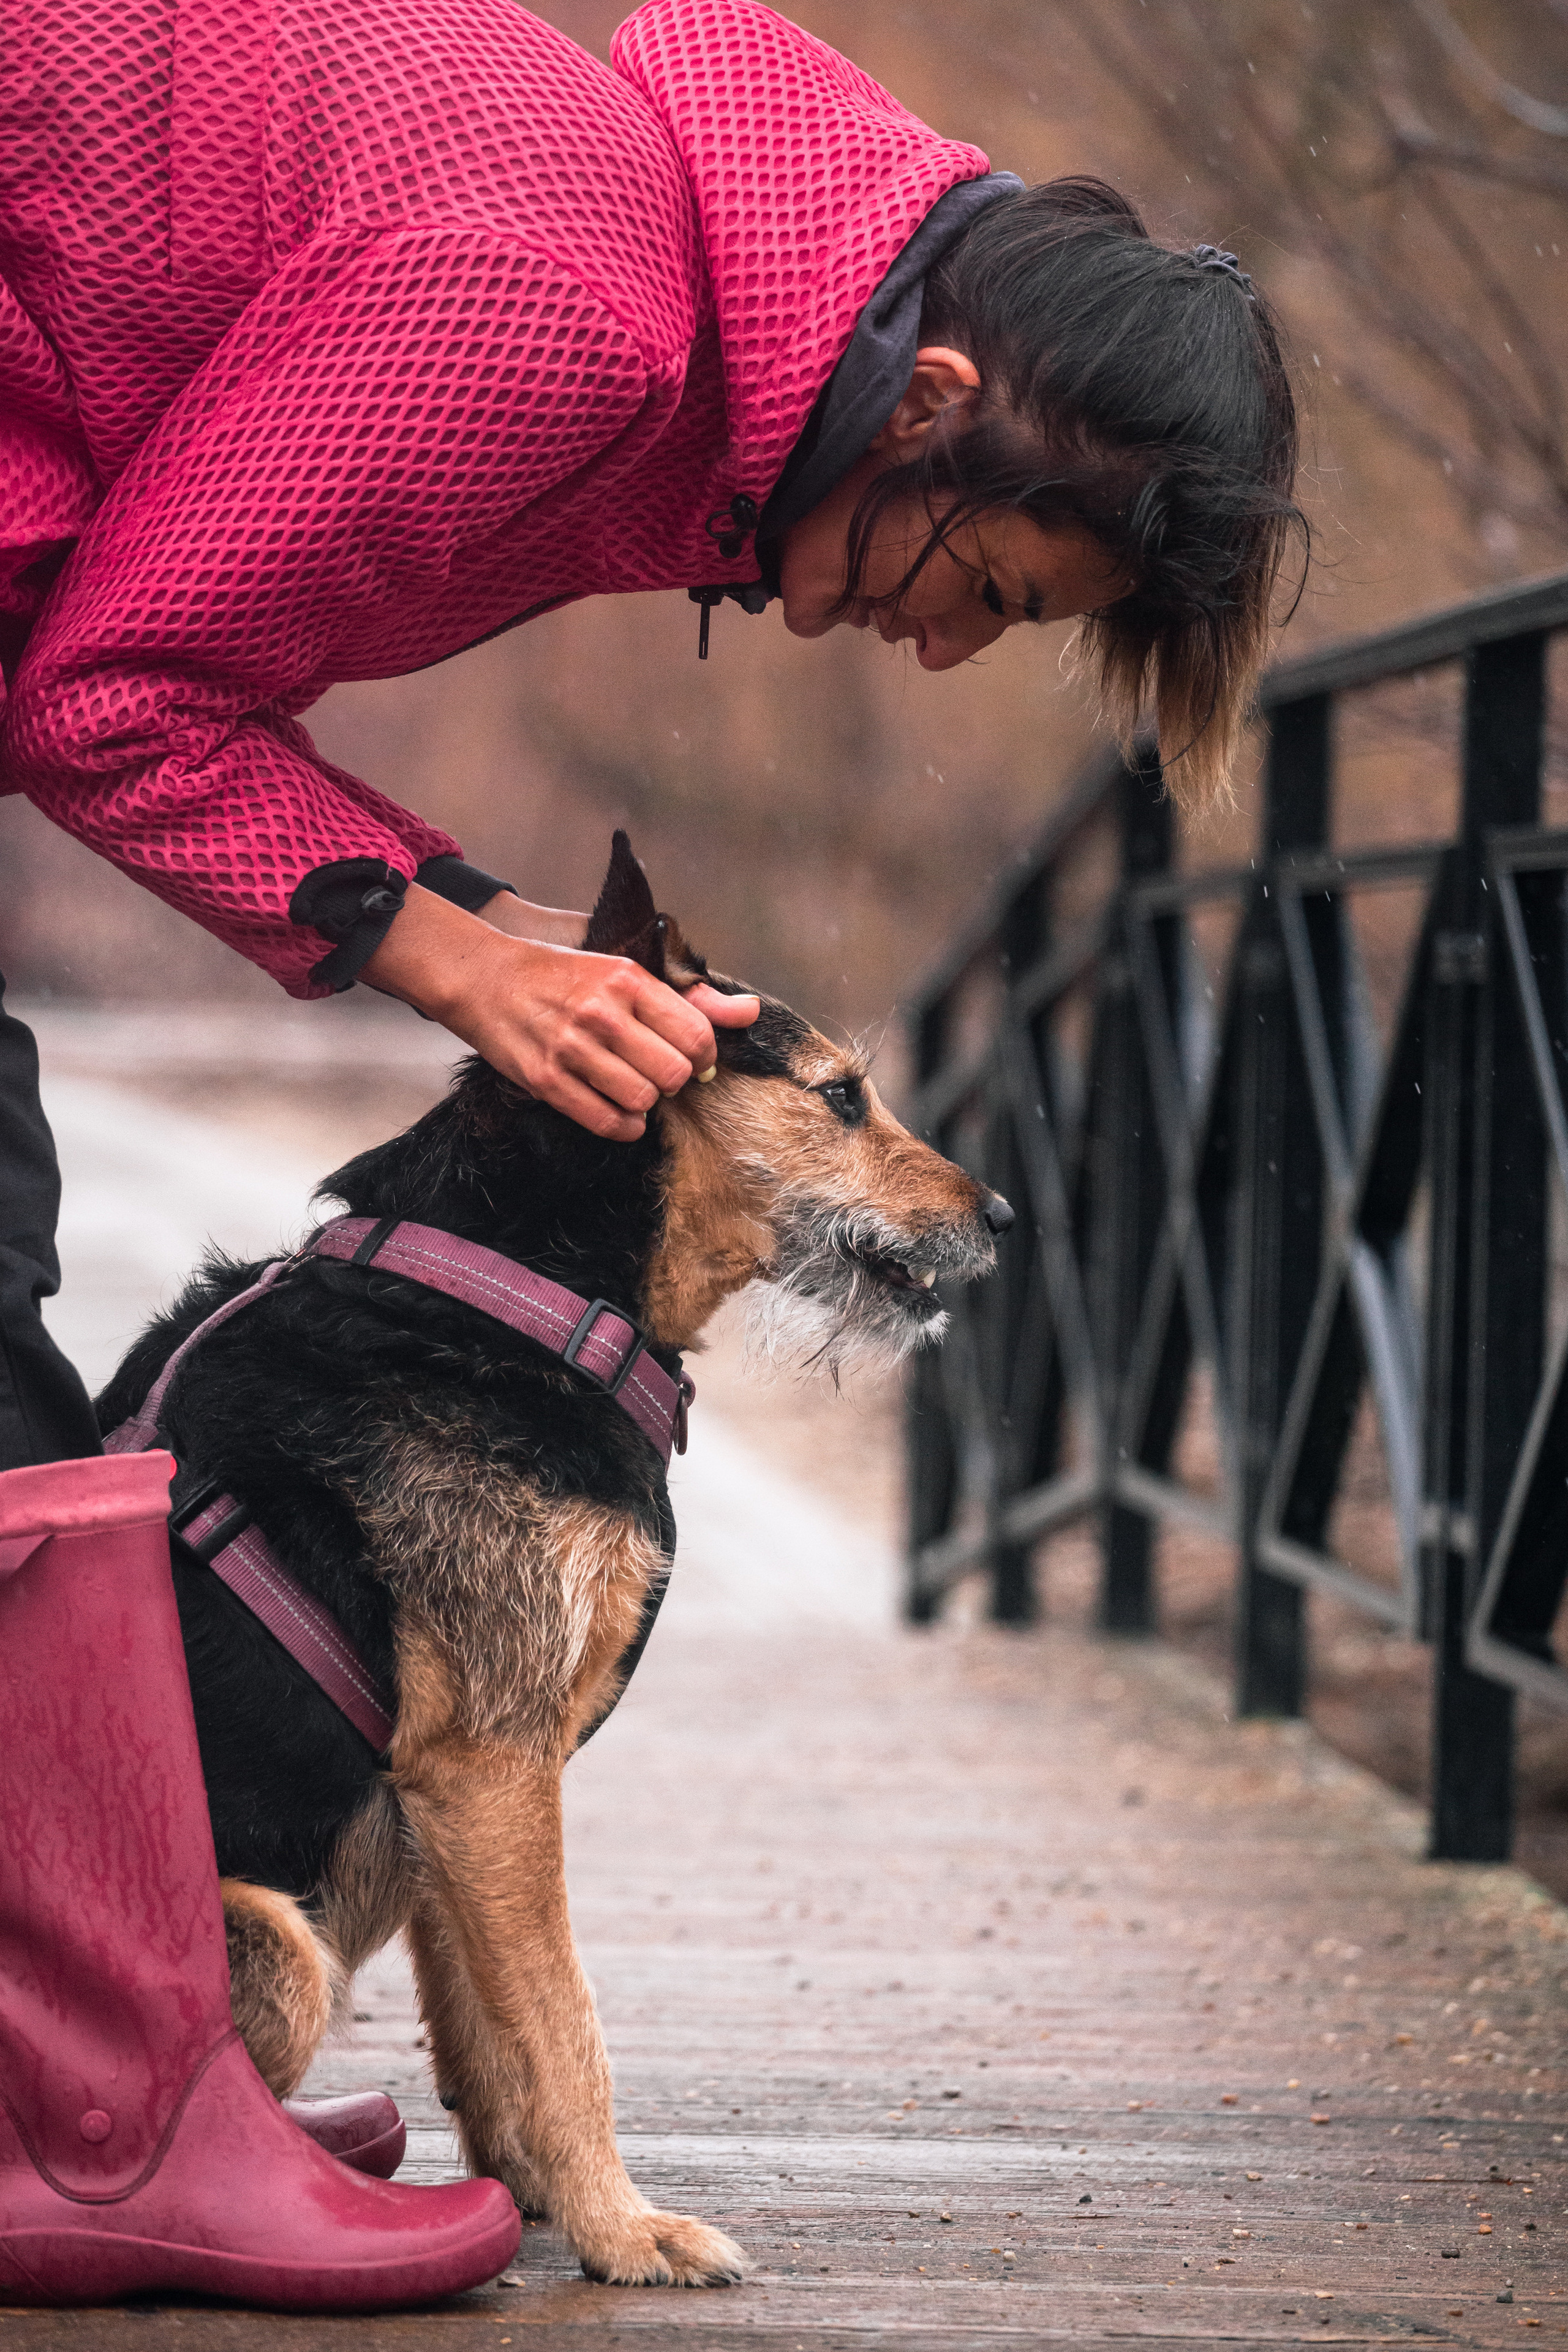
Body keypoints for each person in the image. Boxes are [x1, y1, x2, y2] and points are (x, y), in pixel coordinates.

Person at [0, 0, 1303, 2308]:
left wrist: (478, 920)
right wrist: (440, 951)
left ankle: (91, 2068)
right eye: (993, 589)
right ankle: (83, 2112)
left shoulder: (675, 326)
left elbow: (179, 605)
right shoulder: (578, 300)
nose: (939, 657)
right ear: (927, 404)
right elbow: (111, 689)